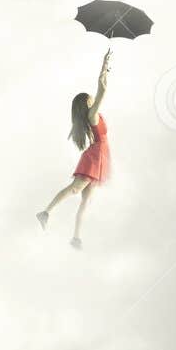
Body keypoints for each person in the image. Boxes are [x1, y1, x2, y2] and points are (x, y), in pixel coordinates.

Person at [37, 47, 112, 249]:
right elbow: (103, 89)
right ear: (86, 104)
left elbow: (101, 89)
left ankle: (76, 238)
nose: (92, 98)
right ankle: (46, 212)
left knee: (86, 201)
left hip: (101, 157)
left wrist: (106, 69)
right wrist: (104, 66)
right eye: (89, 97)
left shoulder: (93, 113)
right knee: (76, 188)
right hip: (96, 157)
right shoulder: (92, 115)